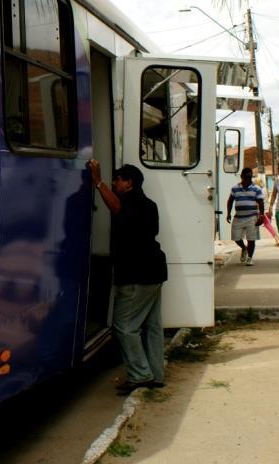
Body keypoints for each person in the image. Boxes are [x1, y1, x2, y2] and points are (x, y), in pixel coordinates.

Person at [88, 159, 167, 395]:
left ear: (129, 183)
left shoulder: (130, 203)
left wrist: (97, 181)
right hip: (154, 271)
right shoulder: (149, 204)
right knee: (152, 326)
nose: (115, 183)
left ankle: (140, 375)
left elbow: (116, 207)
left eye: (118, 180)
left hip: (137, 275)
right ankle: (155, 375)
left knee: (124, 326)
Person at [226, 167, 264, 266]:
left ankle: (250, 258)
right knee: (236, 237)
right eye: (246, 177)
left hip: (252, 217)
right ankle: (243, 248)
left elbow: (261, 202)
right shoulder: (235, 188)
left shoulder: (256, 189)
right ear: (241, 176)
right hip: (238, 217)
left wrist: (261, 215)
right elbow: (230, 201)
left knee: (251, 239)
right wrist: (228, 213)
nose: (248, 179)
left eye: (250, 177)